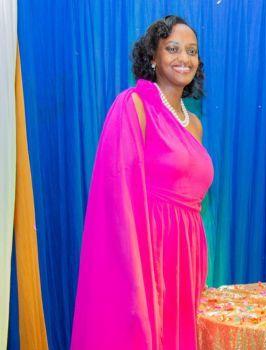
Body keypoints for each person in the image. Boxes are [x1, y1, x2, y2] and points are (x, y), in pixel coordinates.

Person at [71, 15, 213, 349]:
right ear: (153, 56)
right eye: (173, 49)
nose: (184, 59)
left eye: (191, 51)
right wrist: (134, 270)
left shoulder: (195, 125)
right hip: (151, 250)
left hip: (188, 254)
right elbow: (115, 193)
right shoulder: (134, 106)